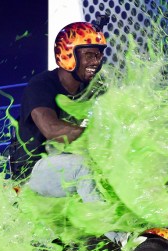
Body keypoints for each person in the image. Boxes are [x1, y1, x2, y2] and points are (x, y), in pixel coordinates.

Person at [10, 22, 106, 202]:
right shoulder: (41, 85)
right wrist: (97, 135)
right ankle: (116, 232)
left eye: (99, 55)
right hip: (32, 174)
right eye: (89, 55)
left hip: (65, 164)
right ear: (68, 54)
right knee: (82, 168)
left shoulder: (95, 88)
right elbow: (51, 130)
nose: (96, 61)